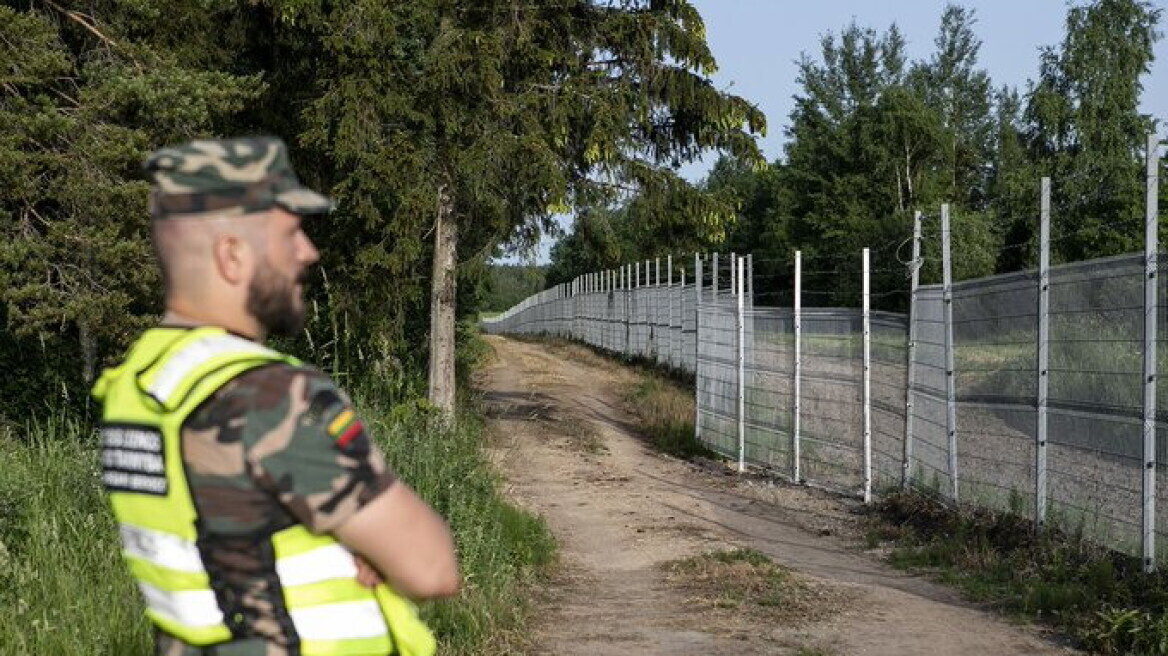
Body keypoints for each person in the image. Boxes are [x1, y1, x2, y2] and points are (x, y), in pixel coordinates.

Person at [92, 137, 460, 656]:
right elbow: (430, 567)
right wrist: (364, 548)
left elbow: (228, 536)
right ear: (232, 255)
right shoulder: (268, 394)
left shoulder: (134, 386)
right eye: (288, 233)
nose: (308, 251)